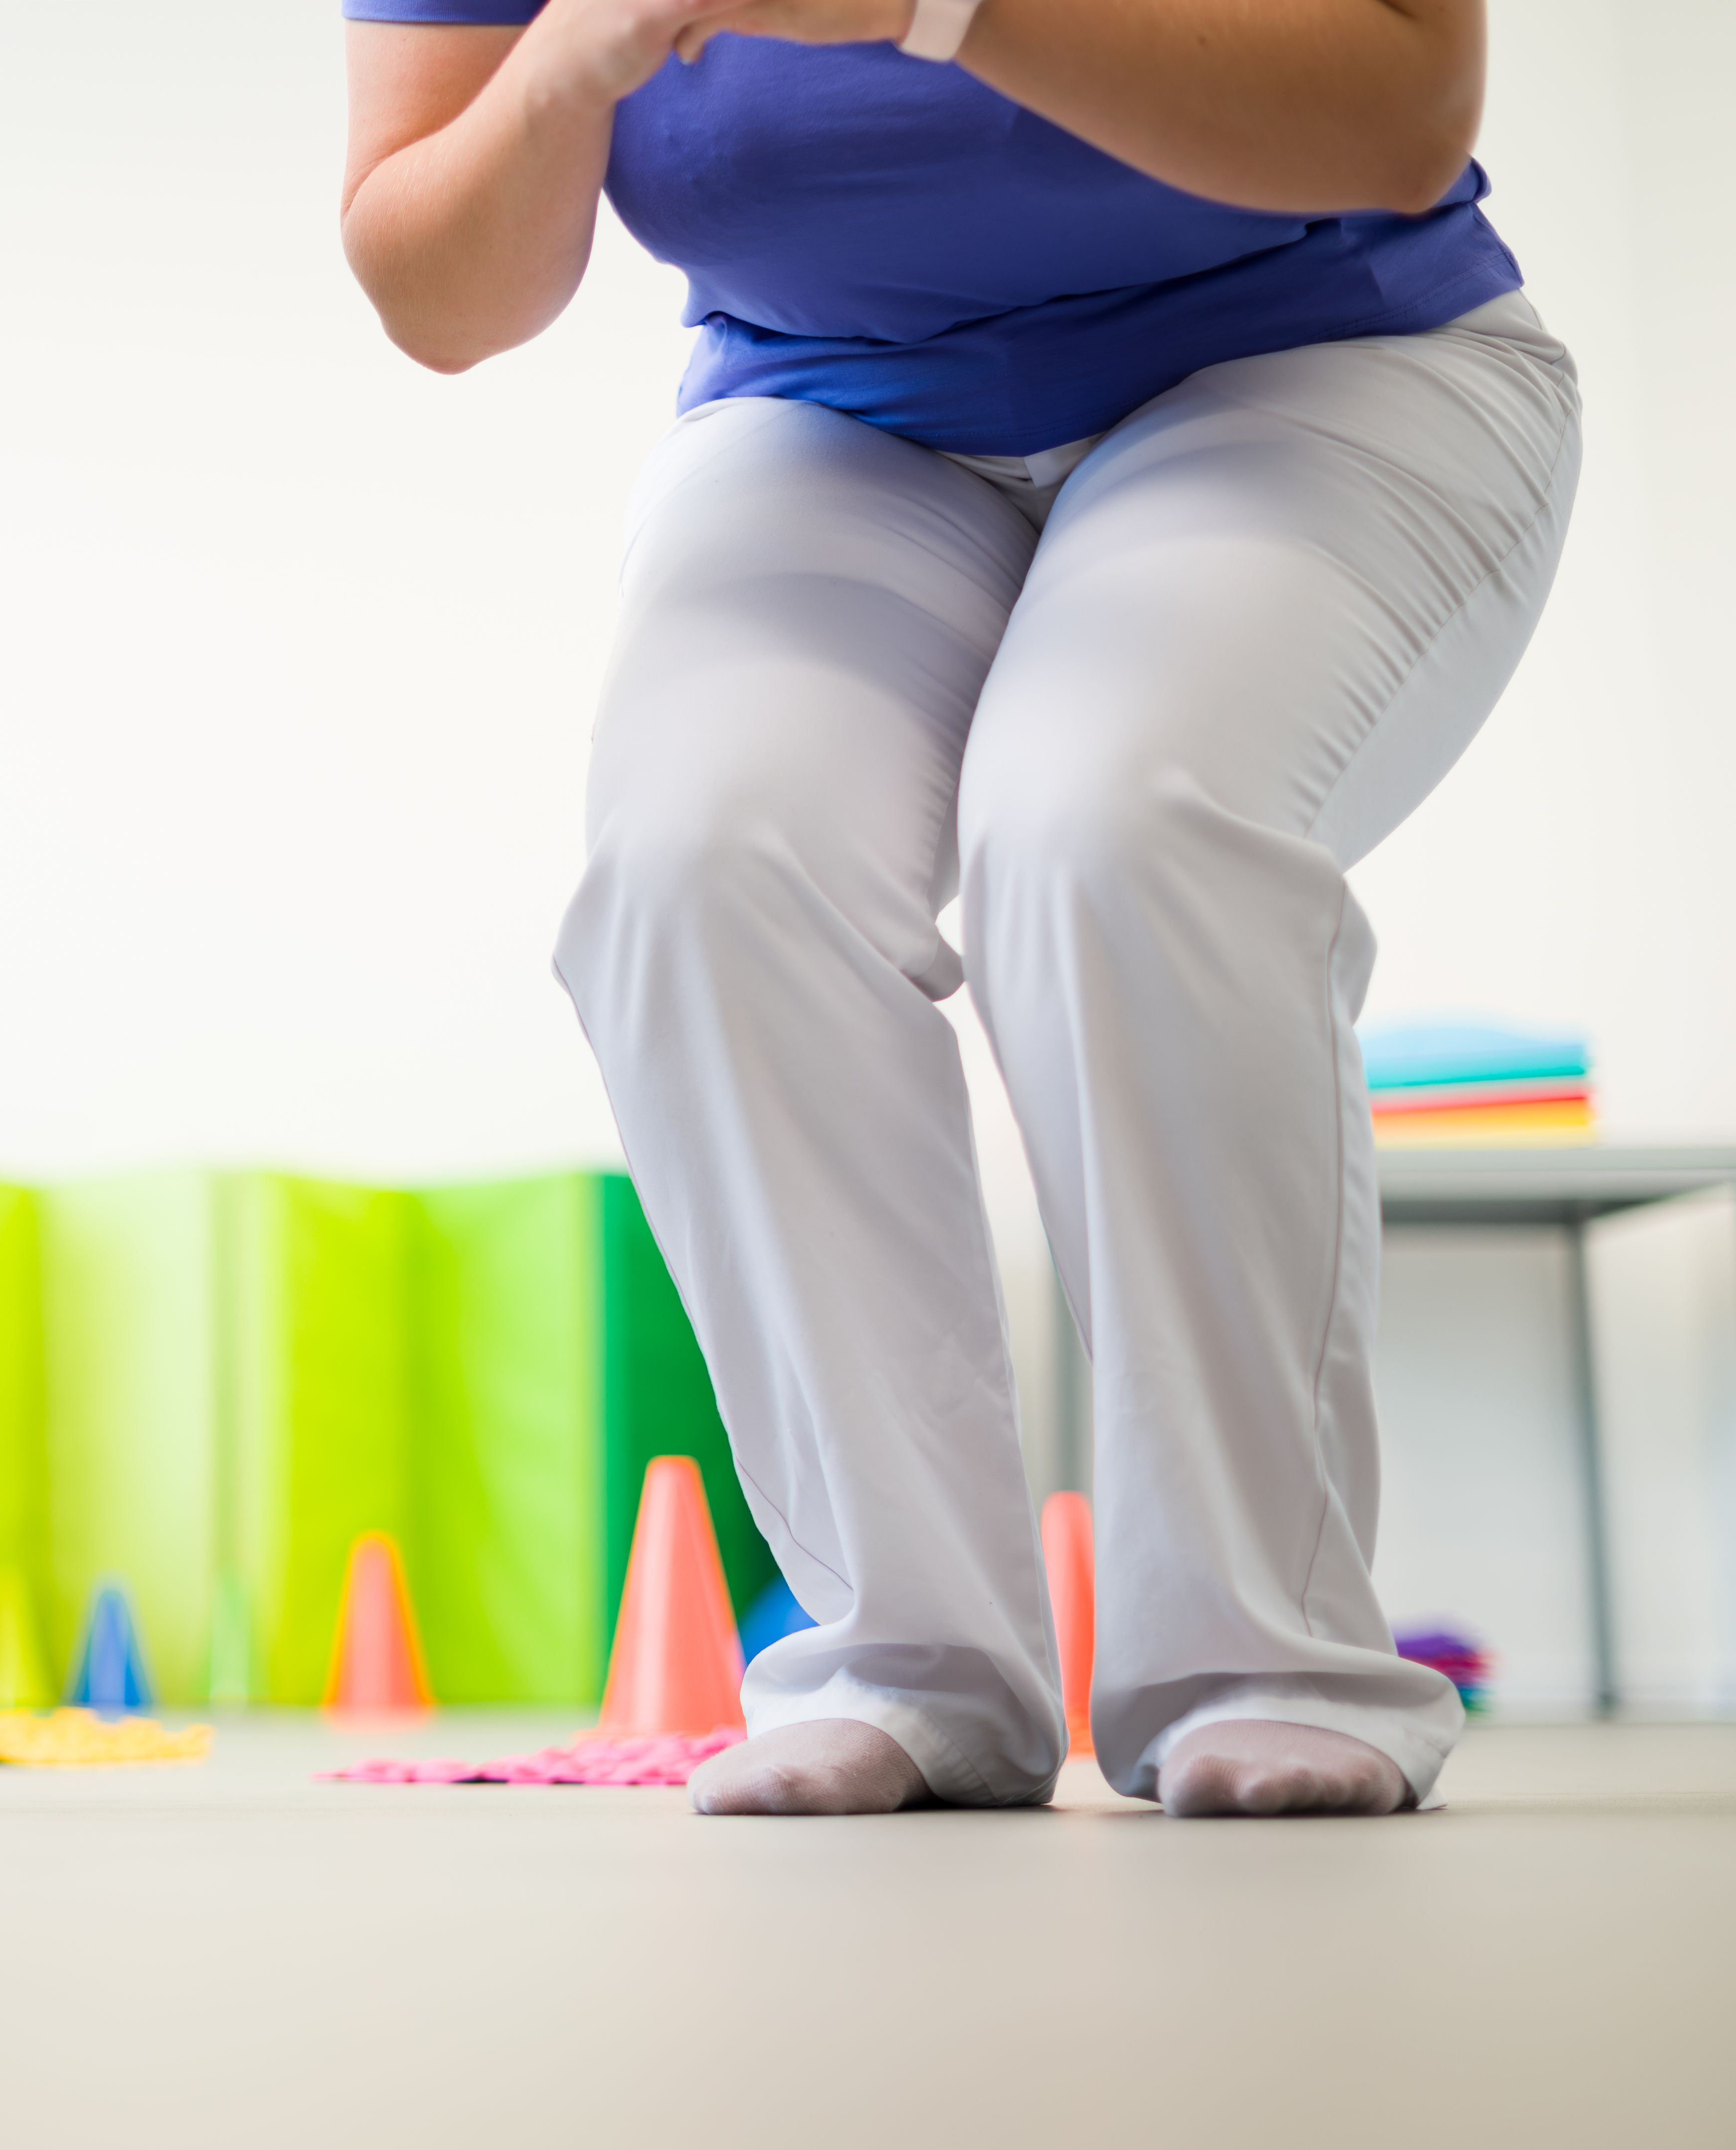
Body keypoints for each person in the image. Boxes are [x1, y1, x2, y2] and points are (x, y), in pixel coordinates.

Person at [340, 0, 1576, 1816]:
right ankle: (906, 1665)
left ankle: (1268, 1653)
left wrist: (936, 11)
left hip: (1332, 357)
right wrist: (573, 58)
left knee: (1110, 820)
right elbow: (435, 294)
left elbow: (1399, 112)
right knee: (701, 860)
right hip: (830, 401)